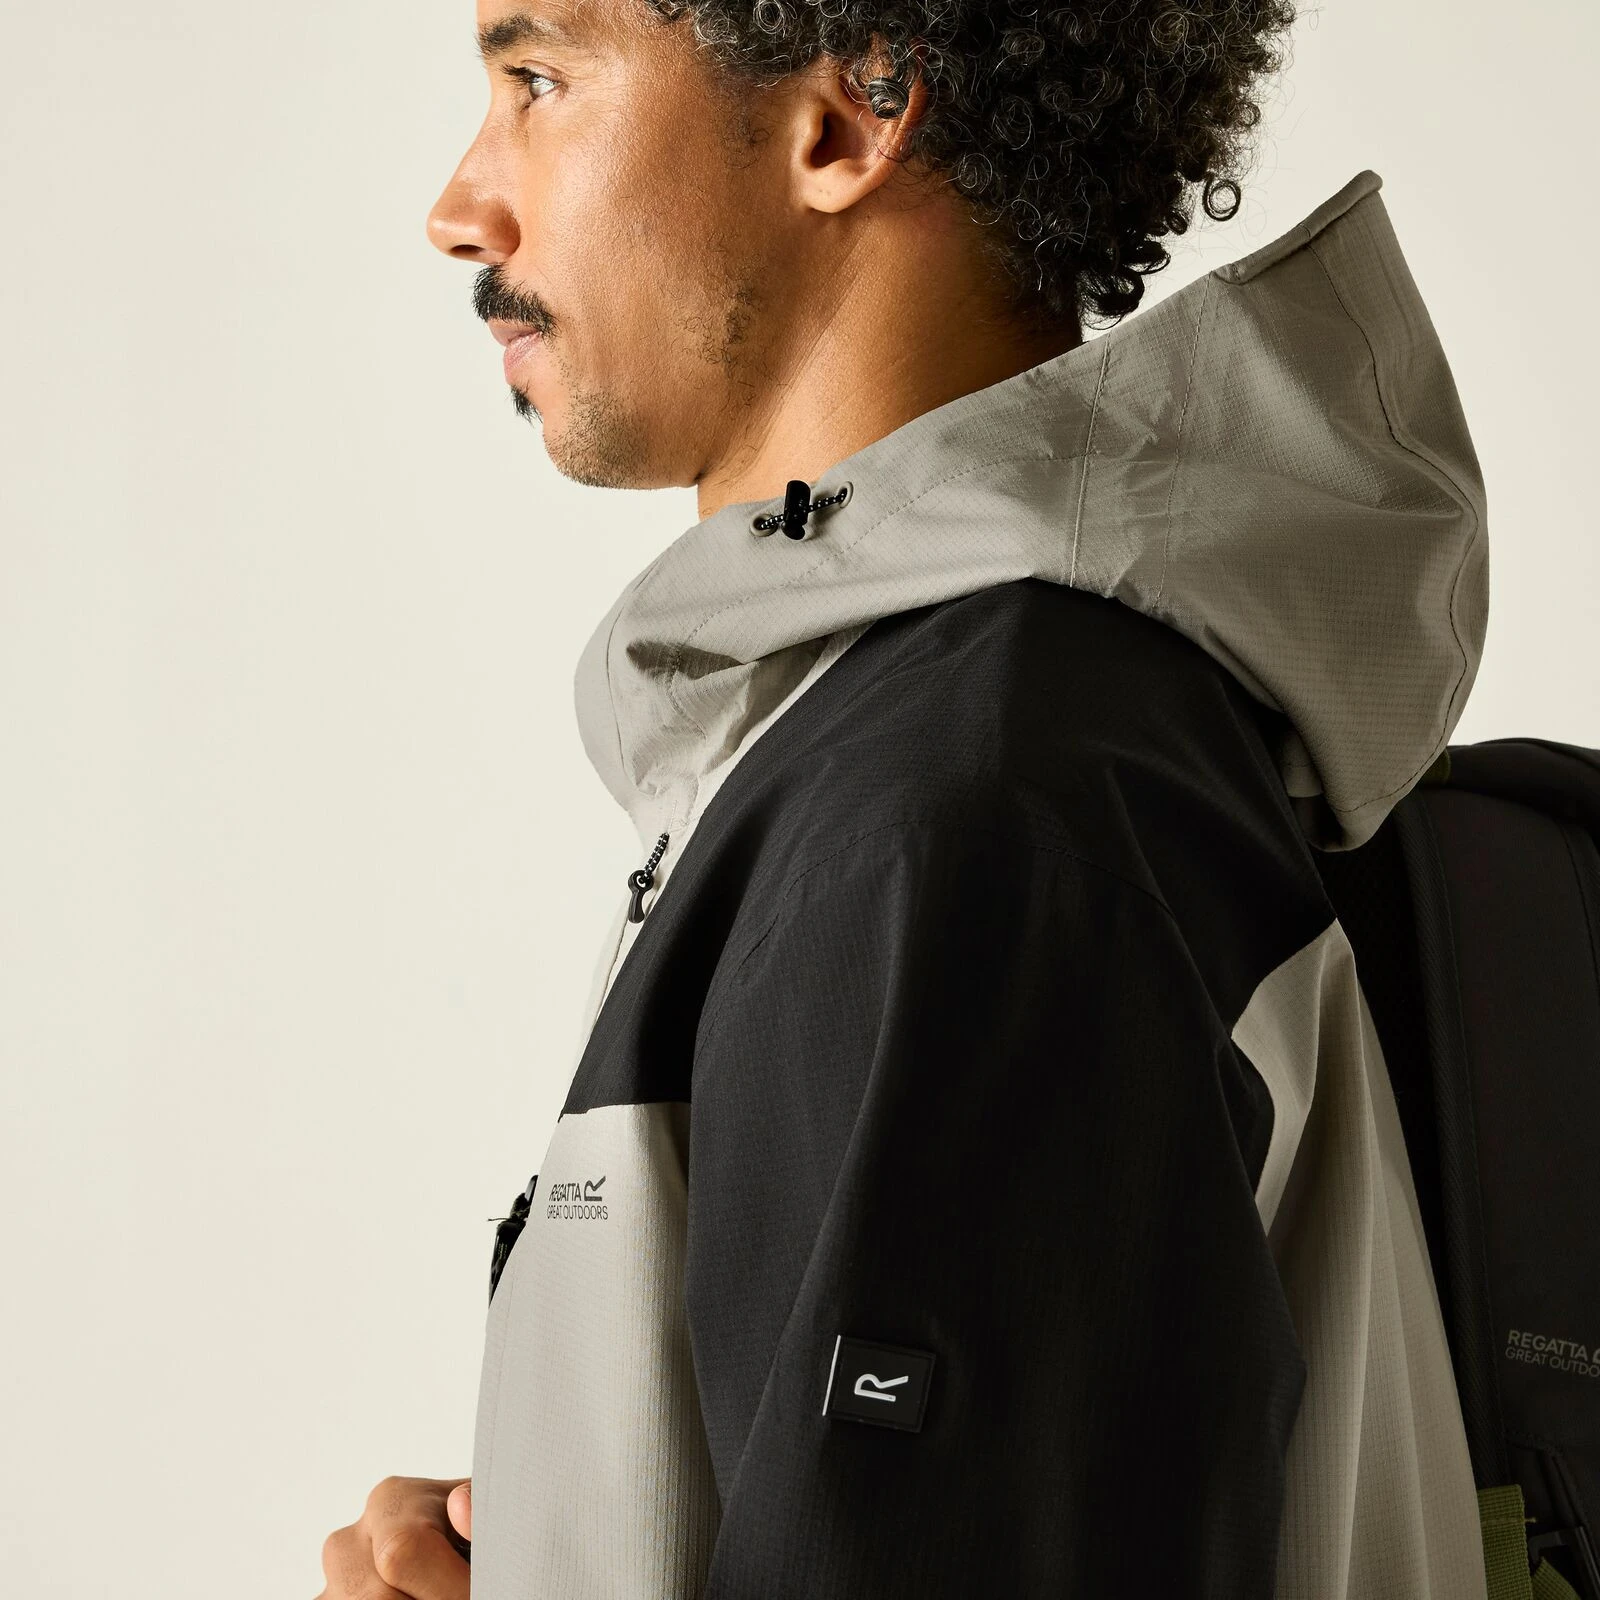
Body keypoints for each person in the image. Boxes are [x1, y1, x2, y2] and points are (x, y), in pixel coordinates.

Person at [318, 0, 1493, 1595]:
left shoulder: (966, 812)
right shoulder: (944, 742)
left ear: (854, 112)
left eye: (539, 80)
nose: (462, 208)